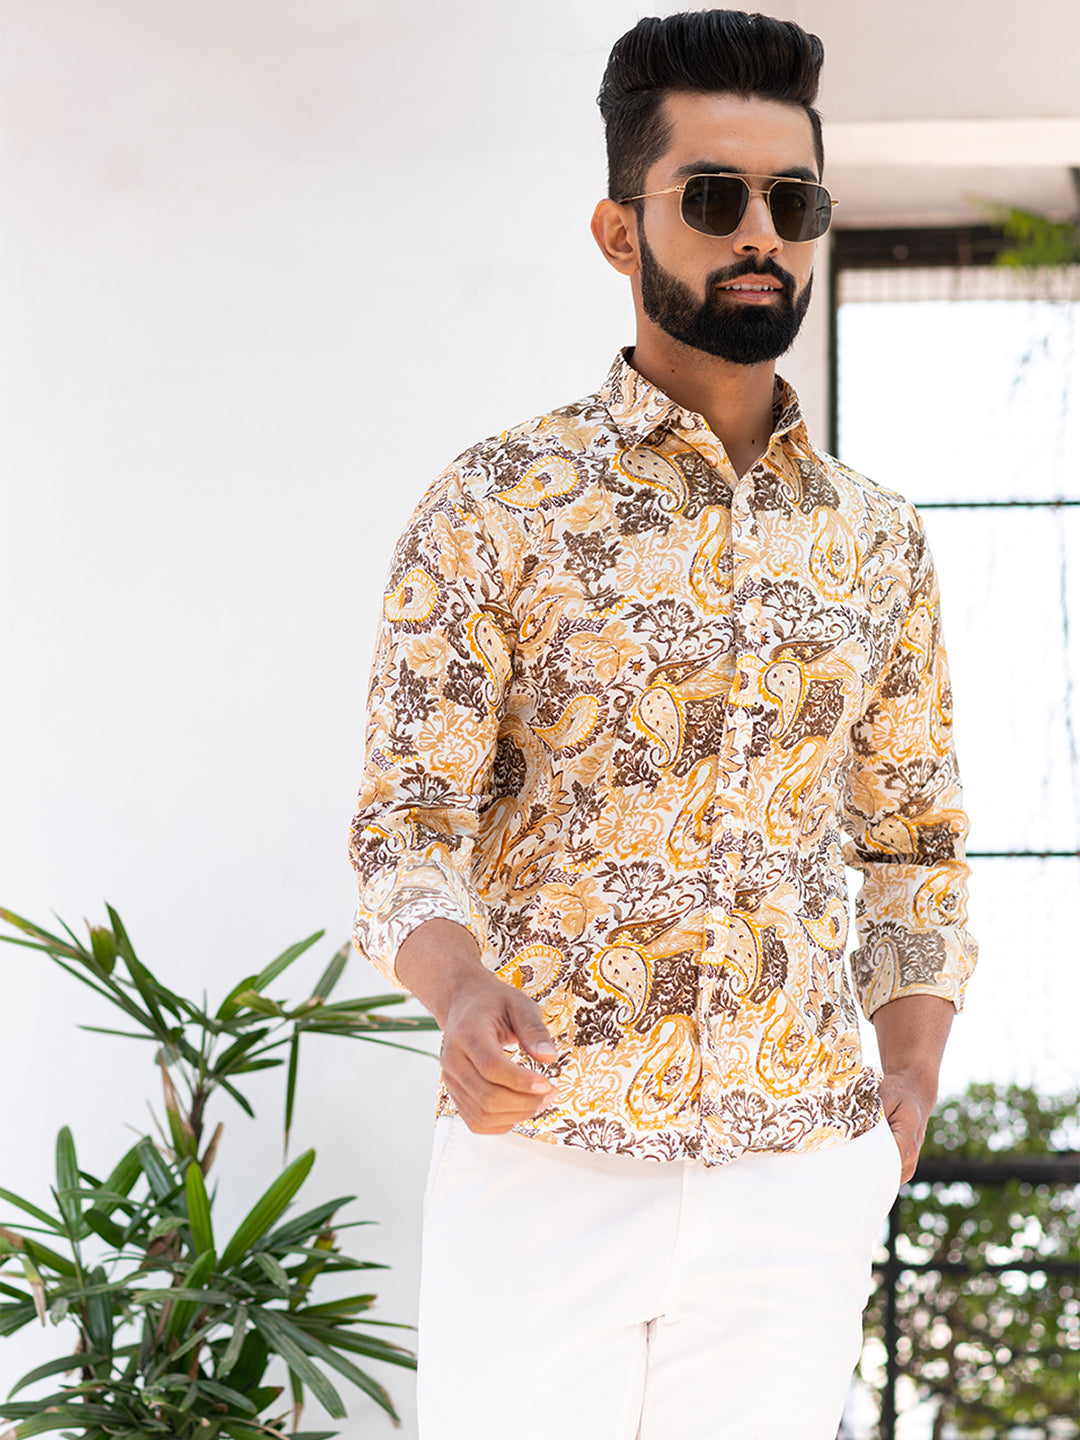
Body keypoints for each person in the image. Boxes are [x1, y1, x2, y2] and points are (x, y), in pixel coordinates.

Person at [348, 11, 977, 1438]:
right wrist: (460, 994)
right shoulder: (495, 507)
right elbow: (405, 831)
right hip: (546, 1159)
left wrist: (913, 1066)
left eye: (792, 202)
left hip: (799, 1177)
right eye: (713, 196)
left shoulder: (880, 542)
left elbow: (915, 845)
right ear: (619, 231)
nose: (759, 233)